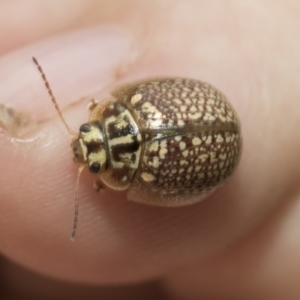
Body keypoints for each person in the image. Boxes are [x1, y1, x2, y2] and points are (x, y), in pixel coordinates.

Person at [0, 1, 299, 299]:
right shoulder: (133, 114)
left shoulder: (143, 170)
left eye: (93, 163)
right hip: (211, 119)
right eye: (92, 154)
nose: (81, 149)